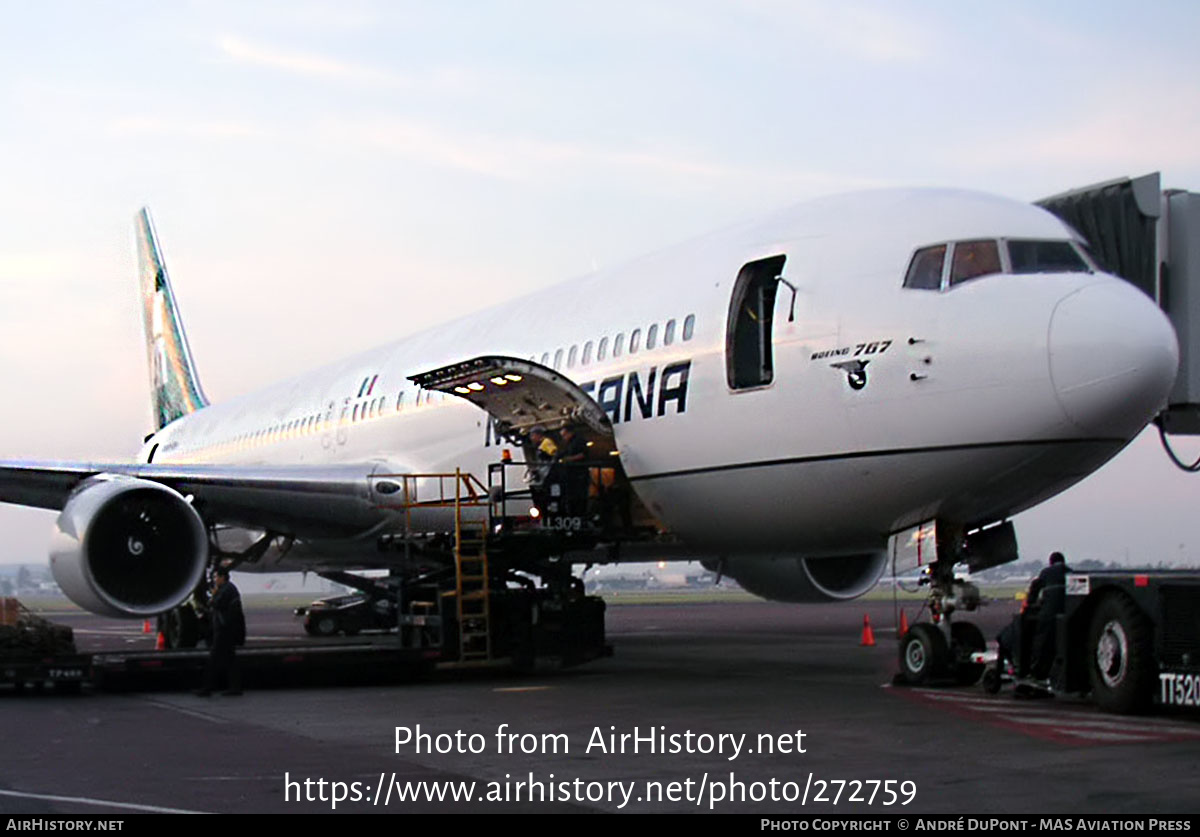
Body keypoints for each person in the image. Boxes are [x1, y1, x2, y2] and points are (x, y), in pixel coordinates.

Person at [197, 566, 246, 696]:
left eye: (215, 577)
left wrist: (213, 596)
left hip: (224, 630)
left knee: (213, 659)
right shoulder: (229, 588)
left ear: (222, 577)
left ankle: (207, 688)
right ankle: (235, 687)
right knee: (230, 660)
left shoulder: (226, 589)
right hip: (227, 629)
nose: (214, 580)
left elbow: (216, 604)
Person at [1028, 551, 1070, 681]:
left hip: (1049, 614)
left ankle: (1037, 673)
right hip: (1067, 615)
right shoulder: (1070, 572)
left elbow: (1035, 589)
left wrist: (1030, 603)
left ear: (1051, 562)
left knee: (1042, 644)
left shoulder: (1046, 572)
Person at [557, 425, 590, 516]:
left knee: (579, 497)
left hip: (579, 474)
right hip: (571, 475)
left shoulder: (579, 441)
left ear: (570, 433)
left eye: (564, 435)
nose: (563, 438)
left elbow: (583, 454)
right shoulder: (569, 444)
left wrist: (568, 459)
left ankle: (580, 514)